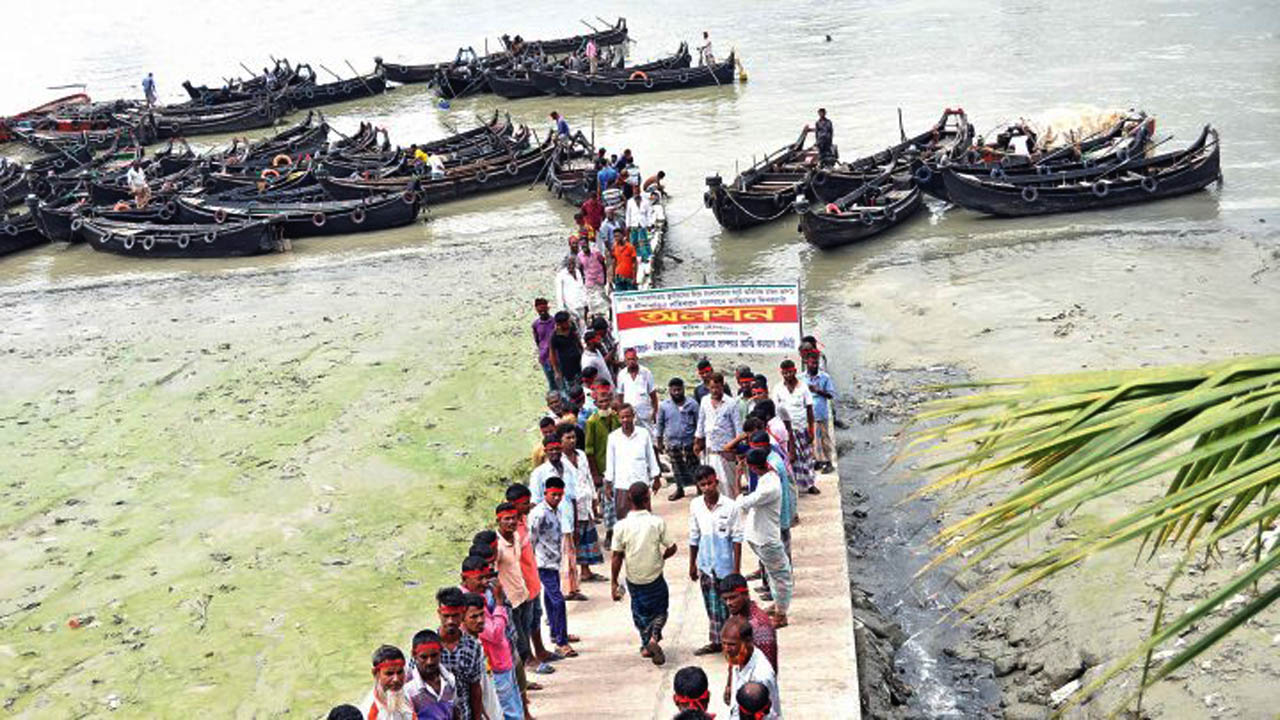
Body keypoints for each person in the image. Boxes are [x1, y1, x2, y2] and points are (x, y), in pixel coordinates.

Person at [610, 481, 678, 665]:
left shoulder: (621, 526)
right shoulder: (656, 523)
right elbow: (672, 547)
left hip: (634, 579)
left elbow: (617, 556)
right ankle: (654, 637)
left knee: (640, 613)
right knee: (660, 610)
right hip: (655, 576)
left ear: (629, 499)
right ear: (648, 499)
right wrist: (662, 557)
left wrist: (614, 582)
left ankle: (647, 644)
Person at [458, 558, 524, 720]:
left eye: (486, 577)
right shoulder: (467, 605)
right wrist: (500, 602)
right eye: (480, 578)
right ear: (464, 578)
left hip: (502, 661)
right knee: (509, 713)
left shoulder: (481, 595)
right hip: (495, 667)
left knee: (514, 710)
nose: (485, 582)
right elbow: (494, 633)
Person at [494, 501, 553, 677]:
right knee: (516, 638)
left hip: (522, 594)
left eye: (513, 518)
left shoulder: (517, 537)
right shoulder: (496, 546)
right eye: (506, 519)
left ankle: (526, 669)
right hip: (509, 599)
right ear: (498, 521)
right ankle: (526, 668)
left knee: (525, 631)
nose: (511, 522)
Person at [734, 450, 793, 627]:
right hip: (763, 537)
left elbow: (741, 503)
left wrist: (737, 479)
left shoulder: (769, 487)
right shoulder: (770, 478)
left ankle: (780, 612)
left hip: (763, 538)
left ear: (753, 467)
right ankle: (780, 609)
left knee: (780, 576)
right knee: (777, 575)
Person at [689, 464, 742, 655]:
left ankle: (734, 643)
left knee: (731, 607)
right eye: (703, 485)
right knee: (711, 606)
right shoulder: (695, 505)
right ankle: (716, 641)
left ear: (716, 482)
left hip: (725, 566)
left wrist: (736, 570)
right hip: (706, 564)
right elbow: (694, 536)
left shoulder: (730, 506)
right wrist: (692, 565)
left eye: (710, 483)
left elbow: (737, 539)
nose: (707, 488)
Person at [528, 477, 576, 657]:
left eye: (559, 495)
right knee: (558, 600)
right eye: (553, 495)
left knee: (550, 598)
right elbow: (531, 540)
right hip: (542, 564)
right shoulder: (539, 513)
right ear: (545, 493)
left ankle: (557, 633)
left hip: (554, 561)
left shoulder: (556, 510)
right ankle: (562, 642)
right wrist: (531, 564)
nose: (556, 498)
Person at [559, 424, 603, 583]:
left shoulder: (581, 455)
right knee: (573, 539)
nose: (572, 441)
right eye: (568, 438)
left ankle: (586, 571)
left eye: (573, 437)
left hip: (585, 501)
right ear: (560, 441)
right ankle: (571, 576)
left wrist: (593, 497)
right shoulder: (559, 462)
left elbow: (588, 477)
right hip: (570, 506)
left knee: (587, 537)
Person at [435, 587, 485, 720]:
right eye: (446, 616)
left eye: (455, 616)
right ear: (439, 613)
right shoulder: (427, 646)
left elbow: (475, 688)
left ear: (462, 614)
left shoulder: (473, 646)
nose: (450, 621)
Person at [605, 404, 661, 522]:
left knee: (644, 519)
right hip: (622, 485)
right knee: (623, 519)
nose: (625, 420)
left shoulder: (643, 434)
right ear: (618, 418)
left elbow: (651, 457)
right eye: (622, 417)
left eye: (628, 416)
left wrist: (656, 478)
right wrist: (608, 484)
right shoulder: (613, 437)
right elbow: (610, 462)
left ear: (633, 416)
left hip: (641, 484)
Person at [695, 372, 743, 498]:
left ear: (723, 385)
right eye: (712, 388)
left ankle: (732, 512)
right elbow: (701, 423)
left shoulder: (731, 403)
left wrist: (735, 450)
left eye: (718, 387)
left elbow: (738, 429)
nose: (715, 391)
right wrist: (697, 442)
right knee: (711, 484)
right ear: (708, 388)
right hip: (710, 451)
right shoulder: (705, 401)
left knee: (728, 485)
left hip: (726, 451)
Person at [773, 359, 817, 494]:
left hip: (801, 427)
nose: (787, 375)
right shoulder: (778, 388)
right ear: (781, 373)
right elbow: (775, 410)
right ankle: (794, 486)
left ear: (795, 371)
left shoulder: (803, 387)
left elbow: (809, 410)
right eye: (785, 373)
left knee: (806, 457)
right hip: (786, 430)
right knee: (791, 458)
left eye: (790, 372)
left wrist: (811, 430)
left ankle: (810, 484)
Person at [722, 617, 780, 720]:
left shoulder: (761, 676)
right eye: (724, 643)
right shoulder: (739, 656)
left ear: (748, 641)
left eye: (731, 644)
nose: (726, 649)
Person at [719, 573, 778, 671]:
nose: (728, 603)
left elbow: (768, 665)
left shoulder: (760, 625)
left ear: (746, 594)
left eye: (733, 597)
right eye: (725, 599)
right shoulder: (736, 614)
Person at [656, 377, 700, 501]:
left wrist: (699, 441)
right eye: (674, 390)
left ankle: (699, 488)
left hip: (690, 442)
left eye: (679, 390)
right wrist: (659, 442)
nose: (677, 393)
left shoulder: (692, 404)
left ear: (683, 389)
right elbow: (660, 424)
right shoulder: (664, 406)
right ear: (669, 390)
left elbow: (699, 423)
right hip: (673, 443)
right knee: (676, 467)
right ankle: (680, 489)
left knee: (694, 466)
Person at [405, 629, 459, 720]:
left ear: (441, 652)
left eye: (434, 655)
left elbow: (455, 712)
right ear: (414, 654)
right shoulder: (409, 688)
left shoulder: (450, 680)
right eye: (424, 657)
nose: (430, 662)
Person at [803, 348, 836, 473]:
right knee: (810, 439)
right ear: (807, 363)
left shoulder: (825, 377)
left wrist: (818, 390)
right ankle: (816, 460)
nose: (814, 365)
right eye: (811, 363)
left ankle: (828, 462)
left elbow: (831, 395)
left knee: (824, 439)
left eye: (815, 363)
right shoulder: (801, 378)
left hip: (821, 414)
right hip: (806, 415)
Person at [360, 644, 413, 720]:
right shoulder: (368, 712)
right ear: (375, 673)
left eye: (400, 672)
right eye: (389, 674)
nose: (396, 679)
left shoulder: (404, 693)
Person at [617, 348, 658, 430]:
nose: (631, 361)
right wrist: (620, 412)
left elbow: (653, 395)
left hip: (645, 413)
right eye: (628, 359)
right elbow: (620, 396)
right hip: (629, 415)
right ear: (625, 360)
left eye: (633, 359)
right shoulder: (621, 374)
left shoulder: (646, 372)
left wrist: (655, 412)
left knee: (648, 436)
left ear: (637, 359)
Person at [548, 311, 583, 399]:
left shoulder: (572, 329)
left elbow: (578, 342)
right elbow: (552, 354)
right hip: (567, 368)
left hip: (579, 364)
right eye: (566, 322)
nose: (568, 323)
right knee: (572, 391)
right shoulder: (554, 336)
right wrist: (556, 371)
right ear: (560, 324)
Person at [531, 298, 557, 392]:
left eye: (544, 310)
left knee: (560, 382)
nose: (542, 312)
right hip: (544, 358)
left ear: (548, 308)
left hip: (556, 357)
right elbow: (537, 340)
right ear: (536, 310)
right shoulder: (535, 325)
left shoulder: (555, 322)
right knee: (551, 383)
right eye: (540, 311)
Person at [556, 256, 589, 328]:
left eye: (572, 263)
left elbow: (582, 287)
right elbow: (559, 293)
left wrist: (586, 302)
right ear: (566, 264)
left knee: (583, 327)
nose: (571, 266)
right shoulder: (561, 275)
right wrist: (562, 309)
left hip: (581, 305)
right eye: (569, 264)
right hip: (570, 307)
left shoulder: (577, 272)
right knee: (573, 328)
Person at [625, 189, 651, 261]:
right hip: (634, 223)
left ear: (639, 192)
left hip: (642, 223)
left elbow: (648, 213)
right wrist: (628, 225)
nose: (636, 194)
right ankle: (635, 256)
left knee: (643, 241)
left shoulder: (645, 201)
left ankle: (645, 257)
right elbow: (628, 214)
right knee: (634, 241)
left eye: (637, 192)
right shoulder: (630, 202)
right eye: (634, 193)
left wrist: (649, 224)